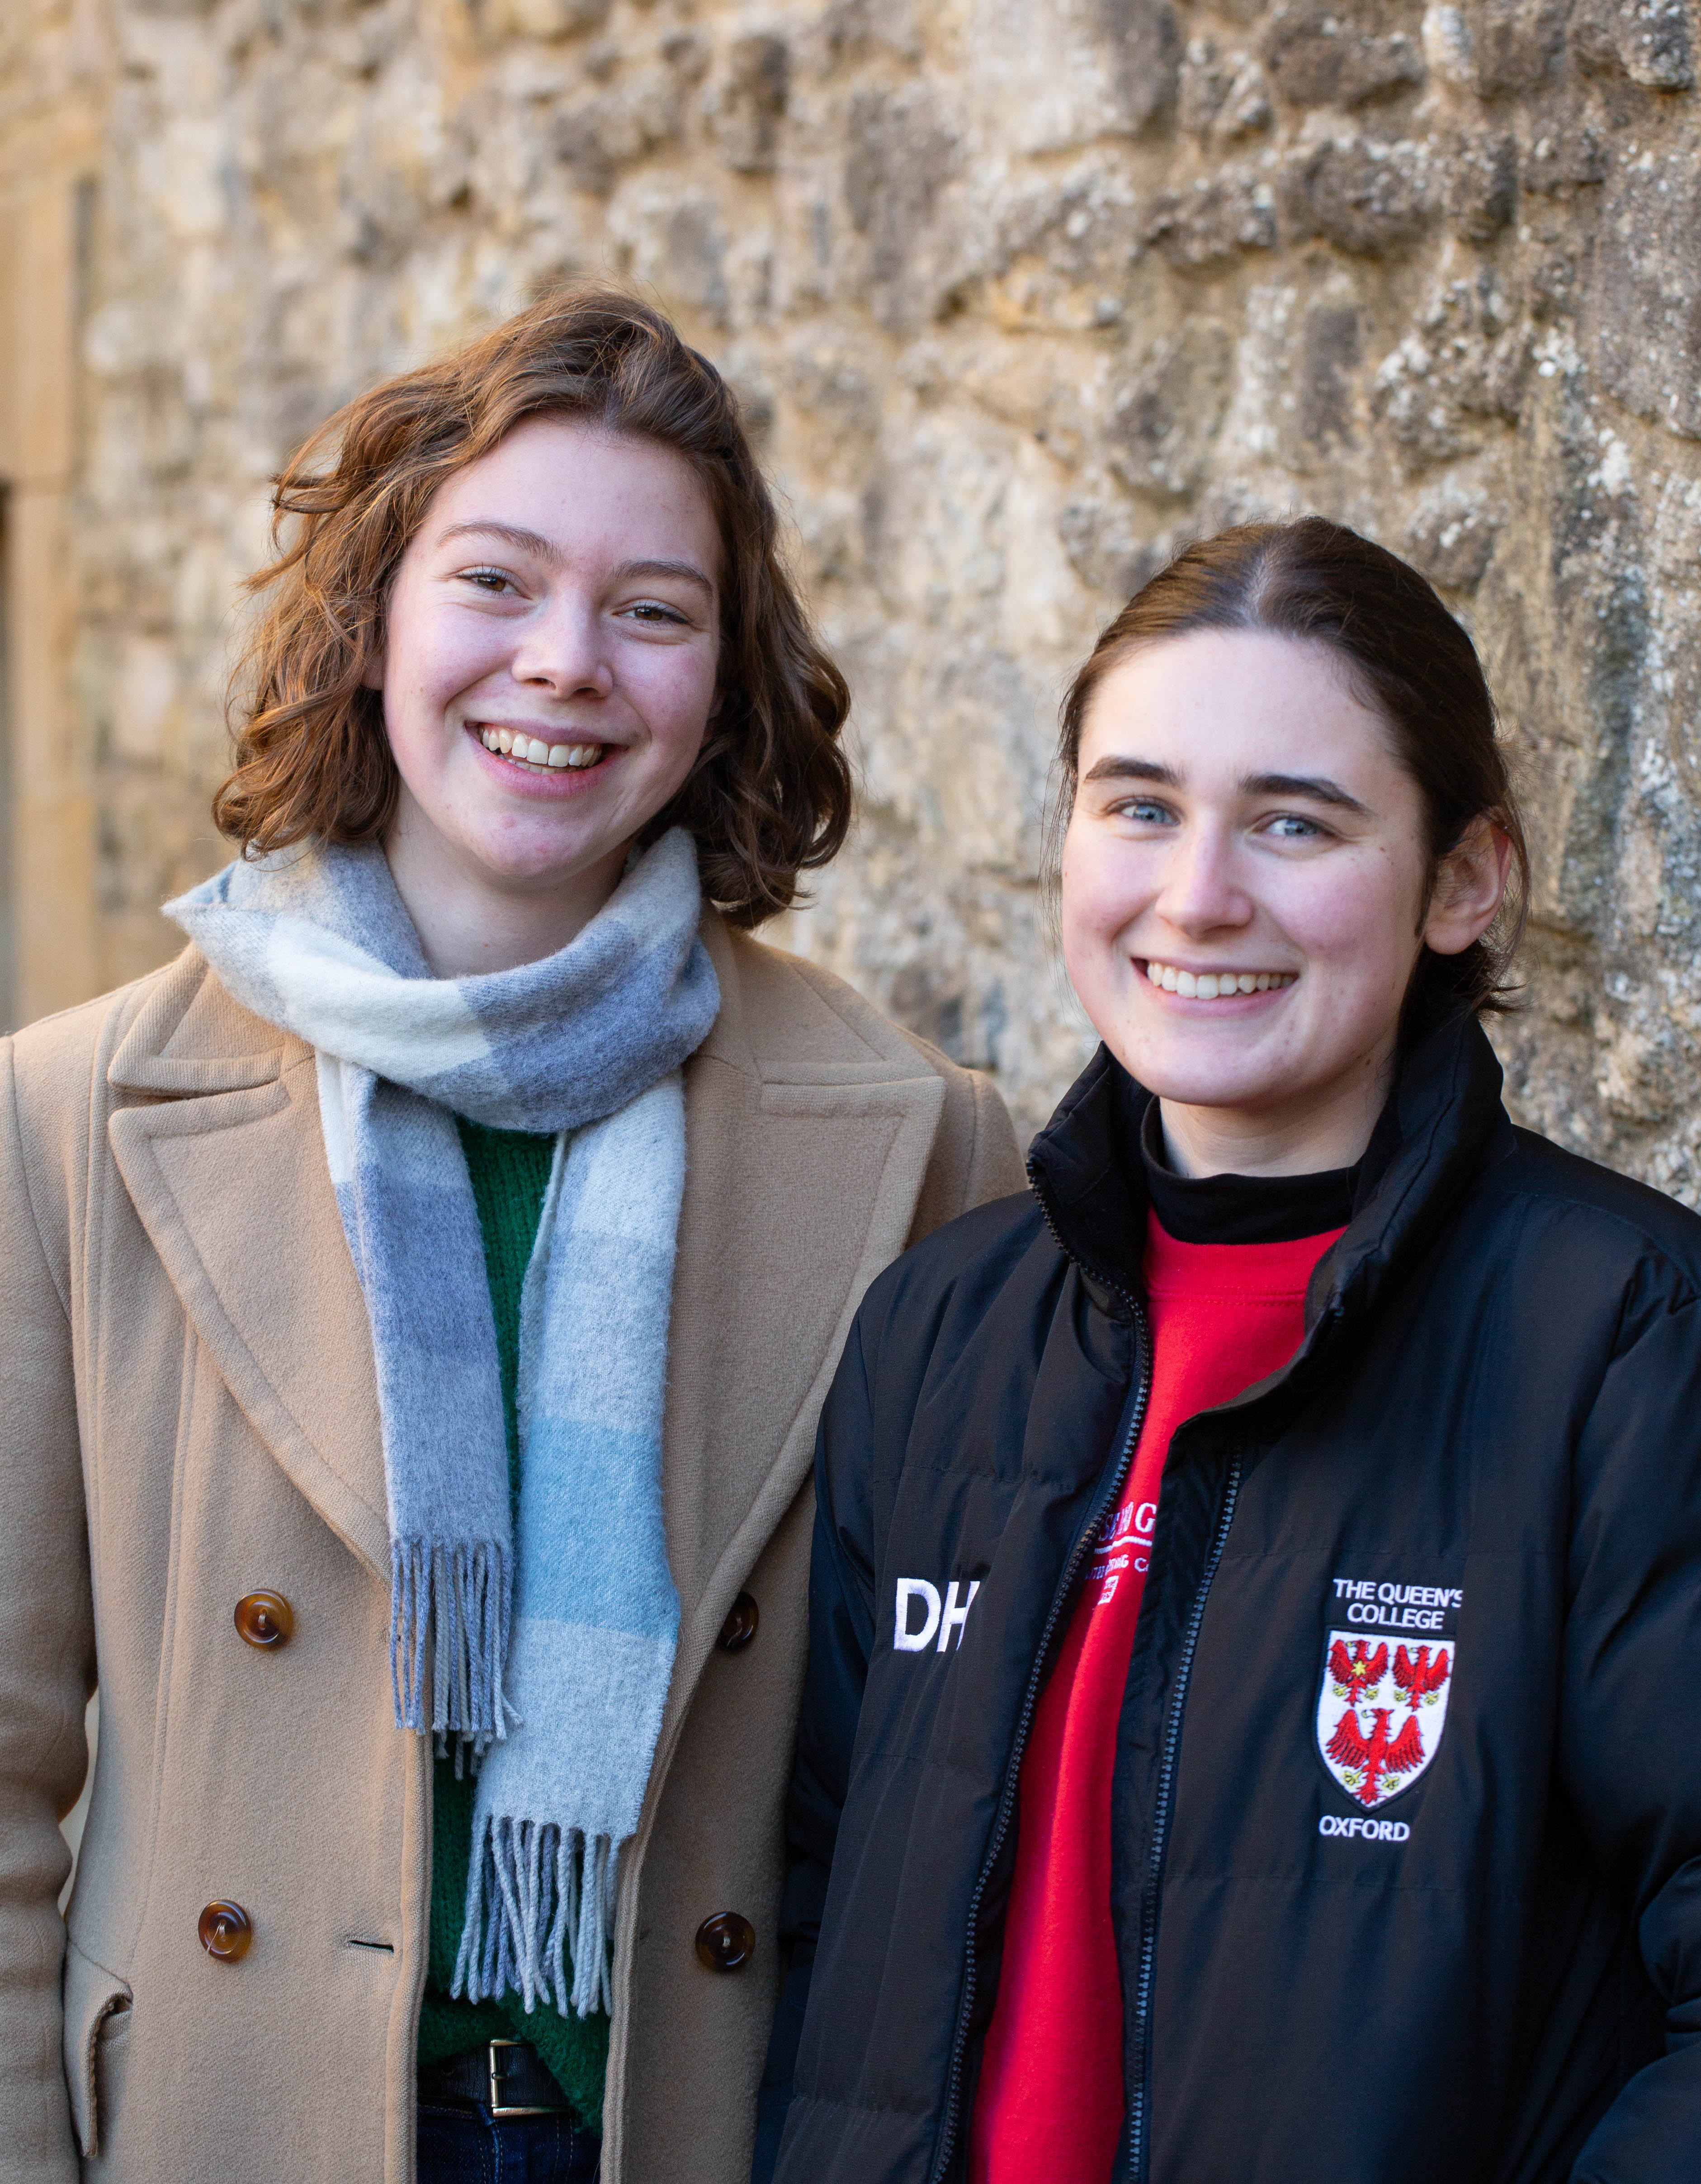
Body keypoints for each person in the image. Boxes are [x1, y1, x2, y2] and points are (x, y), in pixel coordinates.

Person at [0, 288, 1021, 2184]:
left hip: (701, 2120)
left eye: (653, 608)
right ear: (371, 621)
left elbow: (970, 1780)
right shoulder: (66, 1119)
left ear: (723, 677)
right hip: (229, 2122)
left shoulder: (922, 1144)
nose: (565, 663)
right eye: (496, 581)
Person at [757, 517, 1701, 2184]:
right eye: (1138, 806)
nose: (1196, 896)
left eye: (1293, 821)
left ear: (1464, 880)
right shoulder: (939, 1331)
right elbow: (817, 1911)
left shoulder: (1616, 1336)